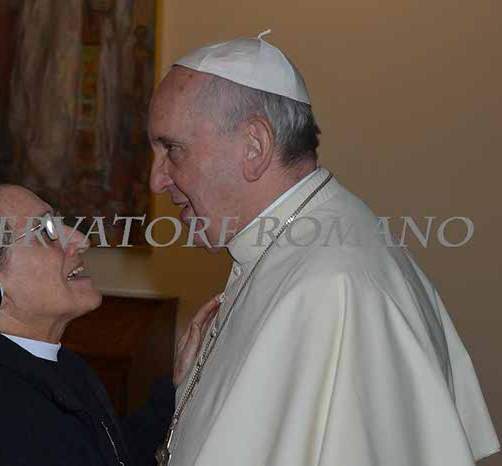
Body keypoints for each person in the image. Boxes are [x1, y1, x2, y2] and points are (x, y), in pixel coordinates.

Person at [147, 31, 499, 466]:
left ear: (254, 146)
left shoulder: (335, 287)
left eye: (172, 149)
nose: (156, 180)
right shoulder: (286, 248)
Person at [0, 166, 219, 466]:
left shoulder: (42, 364)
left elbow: (109, 454)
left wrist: (178, 388)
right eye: (45, 232)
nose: (80, 239)